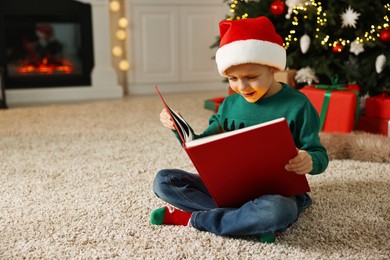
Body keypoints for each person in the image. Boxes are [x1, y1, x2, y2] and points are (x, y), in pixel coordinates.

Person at [150, 16, 329, 242]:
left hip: (277, 195)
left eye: (251, 77)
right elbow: (202, 144)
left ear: (273, 67)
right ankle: (248, 221)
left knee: (275, 210)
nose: (241, 86)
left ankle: (193, 219)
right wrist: (178, 127)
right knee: (163, 181)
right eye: (232, 78)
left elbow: (319, 154)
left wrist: (309, 160)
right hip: (231, 190)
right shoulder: (229, 105)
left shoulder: (298, 105)